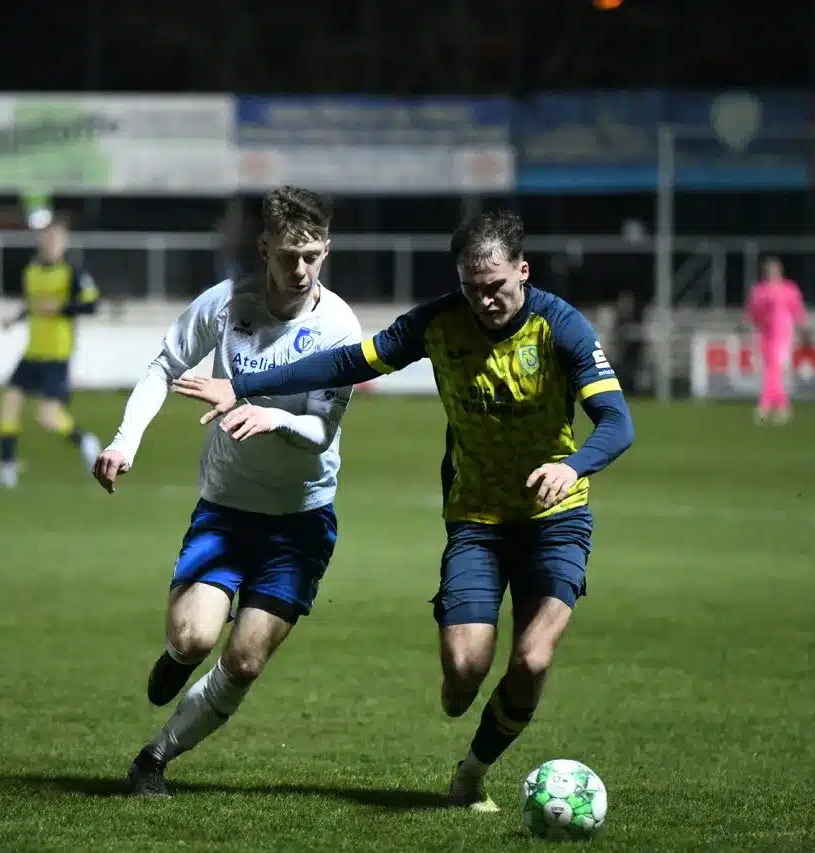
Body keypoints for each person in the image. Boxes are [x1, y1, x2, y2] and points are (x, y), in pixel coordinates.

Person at [174, 209, 635, 812]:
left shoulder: (562, 327)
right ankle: (467, 698)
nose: (484, 300)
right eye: (473, 288)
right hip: (476, 519)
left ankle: (472, 773)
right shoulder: (440, 323)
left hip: (556, 516)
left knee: (531, 657)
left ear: (522, 271)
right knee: (462, 678)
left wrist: (571, 466)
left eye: (496, 287)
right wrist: (247, 385)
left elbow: (617, 423)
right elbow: (349, 363)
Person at [91, 186, 362, 797]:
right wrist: (124, 441)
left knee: (243, 661)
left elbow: (321, 431)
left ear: (326, 250)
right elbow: (165, 365)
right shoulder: (226, 304)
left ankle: (153, 760)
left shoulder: (338, 325)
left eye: (313, 255)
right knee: (192, 638)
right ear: (264, 247)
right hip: (226, 509)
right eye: (289, 255)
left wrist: (265, 413)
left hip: (300, 519)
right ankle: (178, 659)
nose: (300, 270)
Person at [0, 217, 103, 487]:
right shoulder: (32, 271)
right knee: (9, 403)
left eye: (55, 238)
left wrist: (60, 308)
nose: (49, 243)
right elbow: (34, 304)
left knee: (48, 417)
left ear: (64, 243)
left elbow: (93, 306)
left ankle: (85, 441)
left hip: (57, 354)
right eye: (46, 238)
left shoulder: (73, 273)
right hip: (32, 352)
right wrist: (16, 318)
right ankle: (6, 469)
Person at [746, 256, 810, 425]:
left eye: (774, 269)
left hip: (782, 332)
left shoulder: (789, 289)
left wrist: (803, 329)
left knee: (774, 367)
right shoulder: (759, 290)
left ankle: (765, 406)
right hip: (764, 333)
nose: (771, 273)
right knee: (770, 369)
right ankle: (782, 406)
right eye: (768, 270)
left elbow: (798, 310)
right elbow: (752, 311)